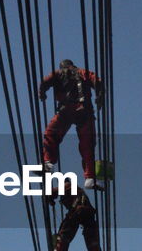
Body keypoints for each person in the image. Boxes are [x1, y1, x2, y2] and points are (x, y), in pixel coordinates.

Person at [37, 59, 104, 189]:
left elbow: (45, 82)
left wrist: (42, 94)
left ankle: (47, 163)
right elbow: (97, 81)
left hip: (66, 111)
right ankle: (90, 177)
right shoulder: (82, 72)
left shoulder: (58, 74)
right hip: (84, 111)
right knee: (87, 145)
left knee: (51, 135)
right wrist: (100, 95)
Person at [44, 188, 108, 251]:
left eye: (62, 202)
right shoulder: (79, 193)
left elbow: (55, 191)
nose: (64, 205)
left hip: (79, 210)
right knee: (91, 238)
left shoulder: (68, 187)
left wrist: (49, 197)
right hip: (89, 214)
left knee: (66, 232)